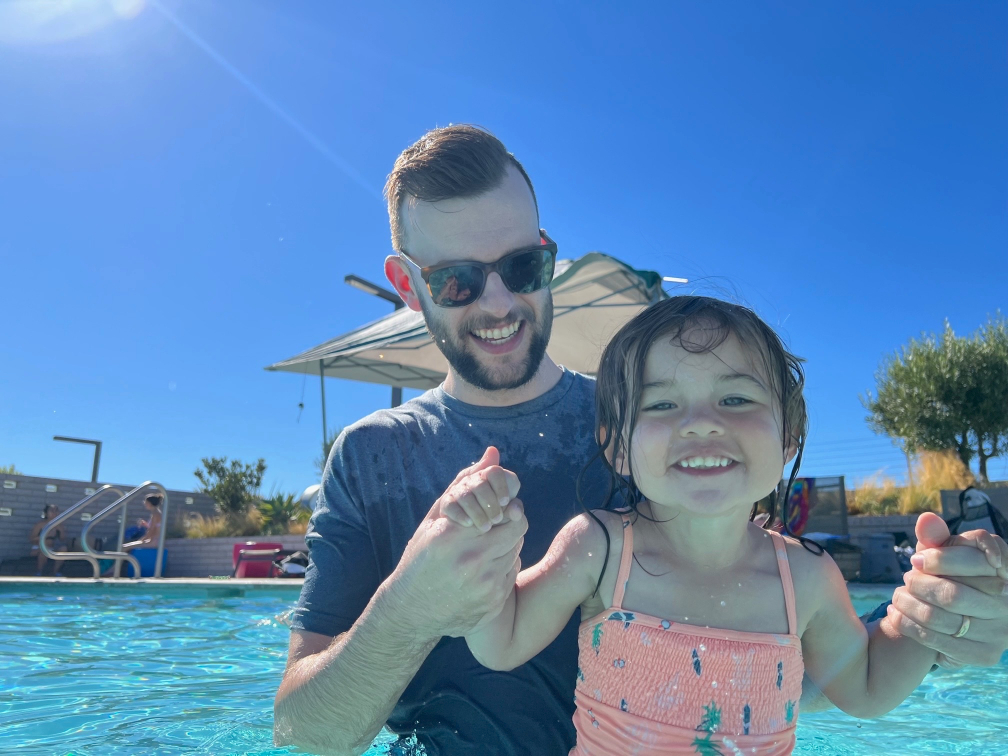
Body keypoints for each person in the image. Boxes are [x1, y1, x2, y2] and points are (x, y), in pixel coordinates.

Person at [273, 125, 1008, 756]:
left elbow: (769, 656)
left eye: (523, 267)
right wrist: (412, 605)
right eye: (457, 281)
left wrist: (942, 616)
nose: (498, 302)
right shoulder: (371, 458)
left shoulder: (652, 430)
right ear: (408, 285)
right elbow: (303, 732)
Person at [440, 295, 1006, 754]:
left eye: (735, 398)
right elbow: (502, 643)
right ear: (618, 447)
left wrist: (929, 611)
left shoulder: (804, 577)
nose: (701, 423)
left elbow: (864, 688)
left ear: (788, 438)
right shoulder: (601, 548)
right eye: (661, 405)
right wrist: (483, 553)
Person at [29, 504, 65, 576]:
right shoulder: (40, 524)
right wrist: (45, 537)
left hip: (51, 549)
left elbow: (62, 539)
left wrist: (61, 530)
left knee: (63, 549)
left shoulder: (59, 525)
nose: (54, 512)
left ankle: (55, 572)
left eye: (56, 510)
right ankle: (39, 572)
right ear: (46, 513)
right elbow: (31, 539)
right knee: (44, 550)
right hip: (39, 548)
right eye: (52, 511)